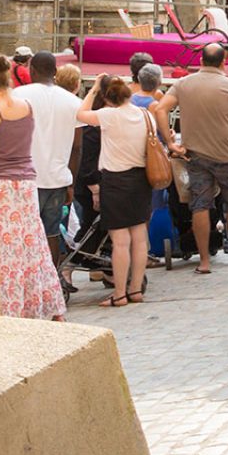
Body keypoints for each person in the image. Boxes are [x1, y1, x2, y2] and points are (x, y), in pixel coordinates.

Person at [159, 42, 228, 273]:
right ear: (224, 62)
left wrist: (171, 142)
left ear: (200, 61)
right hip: (227, 155)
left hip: (196, 155)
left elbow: (160, 108)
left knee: (199, 205)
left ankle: (203, 262)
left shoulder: (183, 84)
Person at [0, 55, 67, 321]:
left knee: (6, 247)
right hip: (26, 182)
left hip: (1, 185)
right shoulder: (26, 106)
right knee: (33, 244)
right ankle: (46, 304)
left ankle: (11, 306)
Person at [75, 75, 157, 306]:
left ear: (107, 99)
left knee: (120, 241)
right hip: (141, 180)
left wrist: (92, 92)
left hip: (115, 181)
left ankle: (119, 293)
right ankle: (136, 289)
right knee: (140, 238)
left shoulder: (108, 116)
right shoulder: (145, 115)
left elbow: (80, 114)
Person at [8, 51, 84, 280]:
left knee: (24, 234)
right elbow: (77, 148)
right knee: (52, 233)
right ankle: (52, 280)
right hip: (57, 179)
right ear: (55, 72)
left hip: (25, 178)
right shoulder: (73, 102)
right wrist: (71, 180)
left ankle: (28, 281)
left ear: (31, 70)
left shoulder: (19, 95)